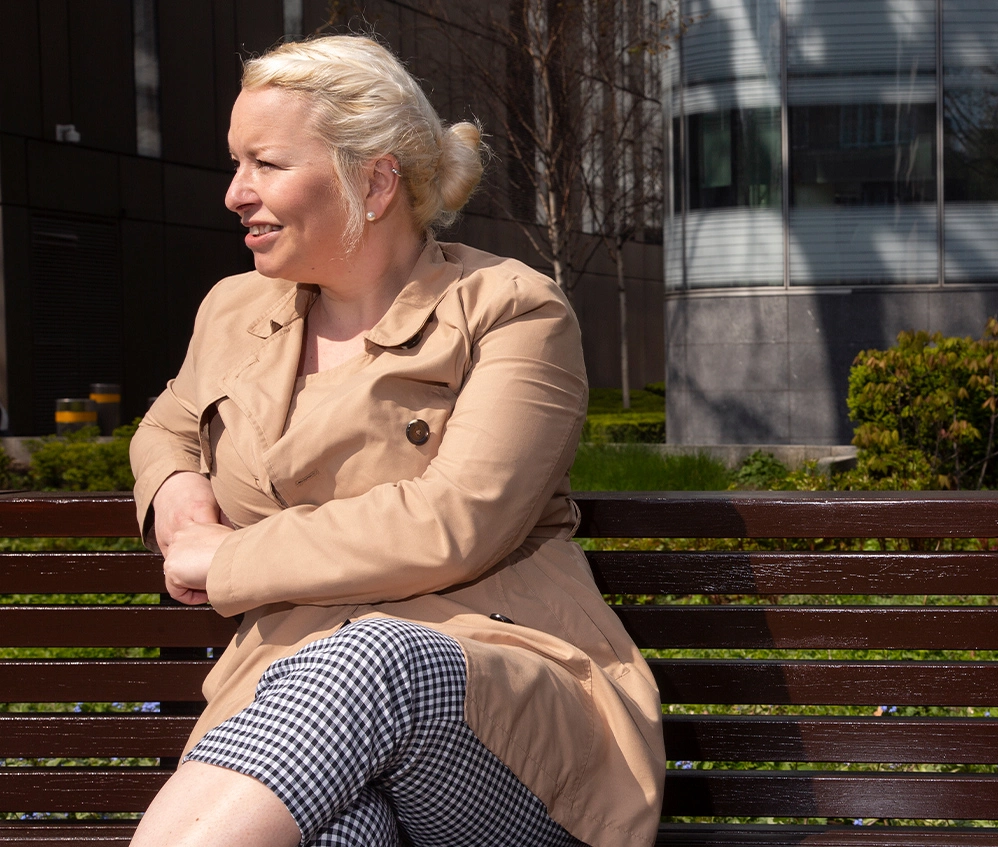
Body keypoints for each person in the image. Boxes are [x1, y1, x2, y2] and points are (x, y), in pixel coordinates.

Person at [127, 35, 663, 847]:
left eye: (266, 164)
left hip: (496, 721)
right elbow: (168, 423)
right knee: (343, 833)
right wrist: (174, 490)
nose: (236, 192)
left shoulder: (511, 309)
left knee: (373, 657)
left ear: (374, 180)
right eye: (236, 164)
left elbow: (456, 519)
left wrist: (226, 559)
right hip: (285, 715)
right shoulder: (235, 308)